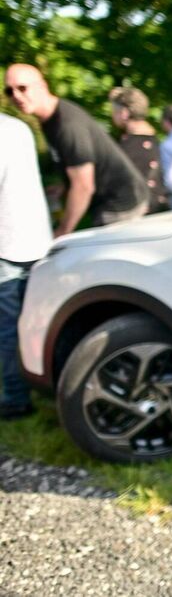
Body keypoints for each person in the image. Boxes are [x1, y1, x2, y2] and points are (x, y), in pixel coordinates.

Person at [4, 64, 149, 234]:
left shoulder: (67, 125)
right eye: (9, 91)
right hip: (113, 200)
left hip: (120, 204)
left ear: (42, 86)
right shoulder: (49, 120)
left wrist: (63, 231)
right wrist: (63, 186)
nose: (16, 96)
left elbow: (83, 186)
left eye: (22, 88)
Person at [0, 113, 54, 420]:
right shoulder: (17, 127)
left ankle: (17, 397)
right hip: (35, 236)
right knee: (36, 321)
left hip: (7, 242)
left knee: (8, 328)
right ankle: (42, 384)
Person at [108, 86, 170, 213]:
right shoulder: (155, 141)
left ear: (124, 113)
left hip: (140, 217)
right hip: (161, 209)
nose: (113, 115)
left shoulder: (131, 146)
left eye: (114, 111)